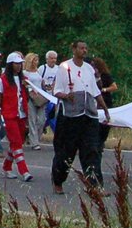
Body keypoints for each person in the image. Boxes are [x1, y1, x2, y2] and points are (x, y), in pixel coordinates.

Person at [51, 41, 109, 193]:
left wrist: (104, 108)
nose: (84, 50)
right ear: (74, 49)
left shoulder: (89, 68)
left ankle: (95, 185)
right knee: (66, 151)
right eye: (81, 48)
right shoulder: (64, 67)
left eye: (86, 48)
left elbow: (95, 91)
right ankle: (58, 180)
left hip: (88, 115)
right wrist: (66, 95)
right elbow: (56, 91)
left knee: (91, 150)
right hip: (70, 116)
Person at [0, 52, 35, 182]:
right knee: (16, 142)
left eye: (20, 64)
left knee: (17, 142)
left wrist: (28, 89)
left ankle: (7, 166)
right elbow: (0, 97)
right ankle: (24, 171)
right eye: (16, 64)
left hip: (22, 114)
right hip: (9, 115)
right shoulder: (3, 80)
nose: (19, 66)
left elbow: (28, 96)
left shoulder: (23, 79)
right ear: (10, 65)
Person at [34, 50, 61, 148]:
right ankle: (34, 136)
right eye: (51, 58)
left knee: (51, 118)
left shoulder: (59, 69)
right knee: (46, 118)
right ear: (47, 59)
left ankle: (36, 137)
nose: (53, 60)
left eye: (55, 58)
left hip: (54, 98)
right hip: (44, 97)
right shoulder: (42, 68)